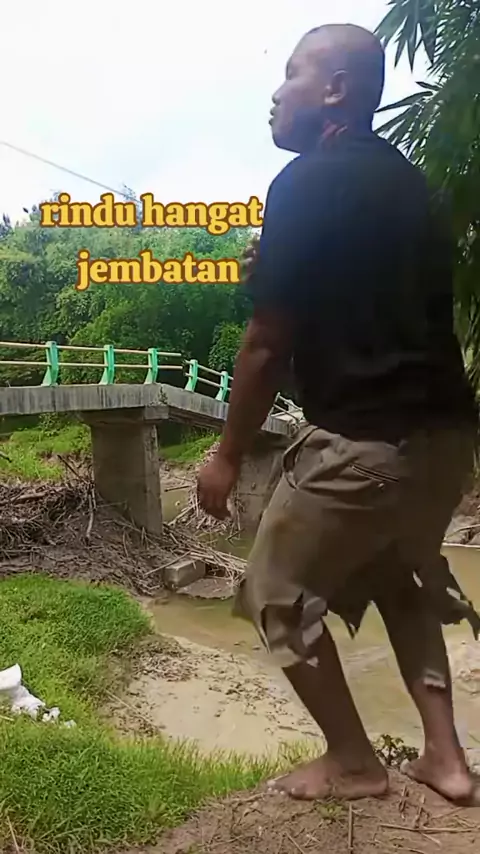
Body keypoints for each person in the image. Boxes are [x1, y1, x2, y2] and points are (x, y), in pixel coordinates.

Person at [197, 23, 480, 803]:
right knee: (398, 575)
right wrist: (279, 269)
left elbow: (266, 345)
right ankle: (447, 760)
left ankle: (354, 761)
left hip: (366, 440)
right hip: (446, 440)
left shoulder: (306, 181)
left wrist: (226, 455)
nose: (274, 93)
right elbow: (372, 304)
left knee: (273, 592)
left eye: (291, 74)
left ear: (335, 90)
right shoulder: (411, 185)